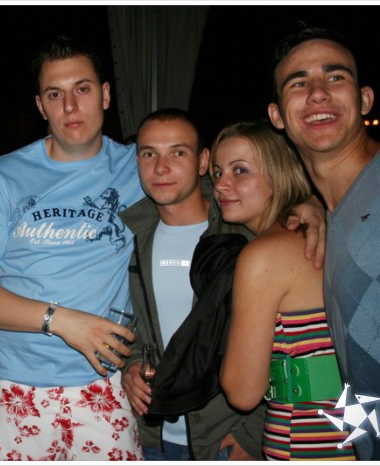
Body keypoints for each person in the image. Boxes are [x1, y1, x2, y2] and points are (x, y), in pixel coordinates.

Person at [0, 34, 145, 461]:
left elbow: (212, 197)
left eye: (82, 89)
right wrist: (62, 322)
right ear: (41, 106)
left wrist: (294, 209)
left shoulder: (139, 168)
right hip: (16, 384)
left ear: (106, 95)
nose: (70, 106)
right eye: (55, 94)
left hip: (106, 381)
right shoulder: (3, 176)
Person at [267, 25, 380, 460]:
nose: (318, 93)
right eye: (298, 83)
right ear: (277, 116)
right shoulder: (330, 217)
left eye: (335, 76)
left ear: (364, 99)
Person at [119, 109, 266, 461]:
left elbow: (284, 340)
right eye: (149, 153)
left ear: (202, 162)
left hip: (225, 440)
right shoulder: (128, 239)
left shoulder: (243, 236)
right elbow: (136, 325)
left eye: (178, 152)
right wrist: (132, 366)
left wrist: (254, 433)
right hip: (153, 439)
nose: (161, 168)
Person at [216, 120, 356, 460]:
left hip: (306, 438)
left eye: (240, 170)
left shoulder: (263, 255)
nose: (220, 185)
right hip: (357, 428)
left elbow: (242, 392)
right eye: (217, 172)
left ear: (279, 173)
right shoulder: (327, 230)